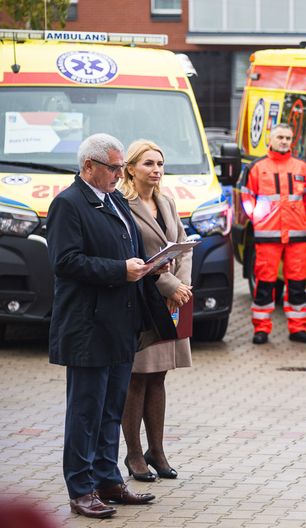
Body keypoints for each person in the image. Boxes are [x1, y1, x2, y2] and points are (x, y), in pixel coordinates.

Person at [48, 133, 175, 518]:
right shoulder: (69, 204)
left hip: (122, 324)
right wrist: (121, 270)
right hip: (88, 326)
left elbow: (129, 250)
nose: (120, 174)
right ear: (89, 167)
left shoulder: (115, 200)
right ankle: (81, 487)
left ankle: (108, 479)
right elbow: (66, 261)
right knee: (85, 411)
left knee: (111, 409)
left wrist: (153, 265)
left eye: (121, 167)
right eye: (114, 168)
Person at [120, 140, 193, 482]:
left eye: (160, 163)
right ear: (131, 168)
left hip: (171, 302)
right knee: (136, 379)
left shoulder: (166, 201)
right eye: (148, 163)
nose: (156, 169)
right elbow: (133, 254)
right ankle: (134, 454)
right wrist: (168, 286)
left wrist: (182, 287)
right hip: (142, 303)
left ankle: (157, 451)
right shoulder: (122, 204)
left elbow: (183, 246)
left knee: (159, 377)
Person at [240, 123, 306, 344]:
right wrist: (257, 218)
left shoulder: (302, 168)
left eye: (288, 138)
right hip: (267, 236)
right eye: (280, 137)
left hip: (296, 237)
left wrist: (297, 217)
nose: (284, 141)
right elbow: (247, 198)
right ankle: (261, 329)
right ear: (270, 139)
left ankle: (298, 328)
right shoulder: (256, 167)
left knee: (298, 284)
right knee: (265, 284)